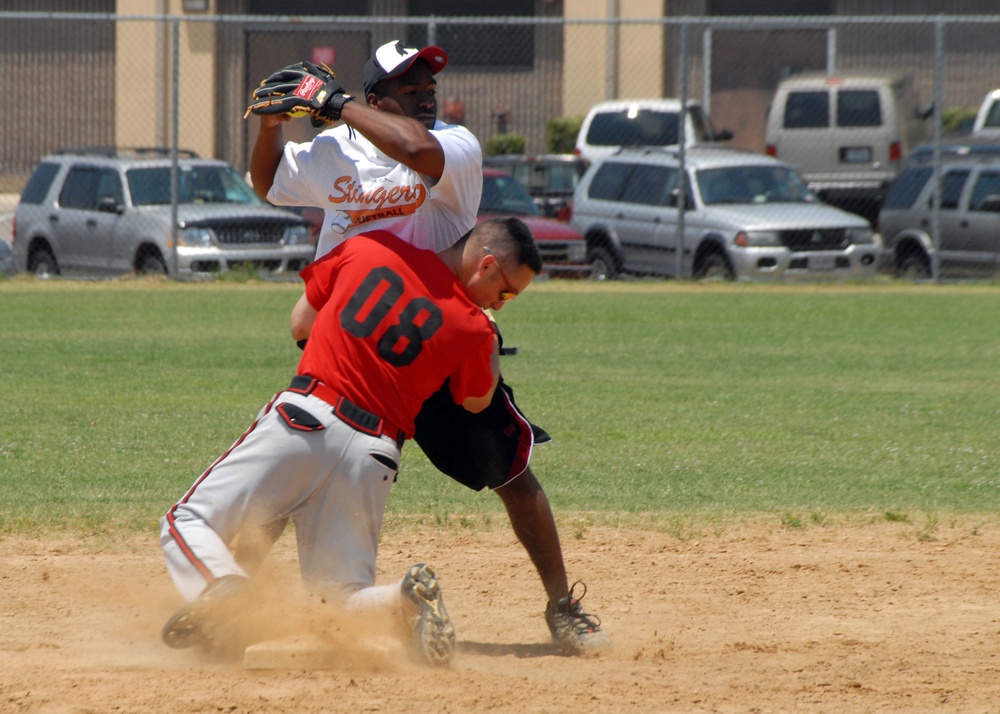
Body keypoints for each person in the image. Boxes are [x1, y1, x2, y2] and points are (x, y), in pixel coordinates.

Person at [248, 40, 608, 656]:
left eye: (428, 82)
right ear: (376, 97)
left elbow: (413, 149)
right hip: (356, 348)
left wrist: (333, 103)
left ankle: (562, 607)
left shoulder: (454, 145)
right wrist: (272, 125)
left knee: (513, 473)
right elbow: (268, 181)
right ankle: (231, 601)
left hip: (436, 342)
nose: (424, 91)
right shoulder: (337, 148)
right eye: (407, 84)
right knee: (293, 475)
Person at [159, 218, 542, 667]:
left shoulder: (370, 248)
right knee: (337, 599)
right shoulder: (473, 327)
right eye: (508, 291)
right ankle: (403, 601)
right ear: (487, 265)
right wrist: (490, 339)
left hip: (304, 421)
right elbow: (477, 402)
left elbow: (300, 323)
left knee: (188, 520)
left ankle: (222, 587)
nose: (503, 302)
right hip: (374, 453)